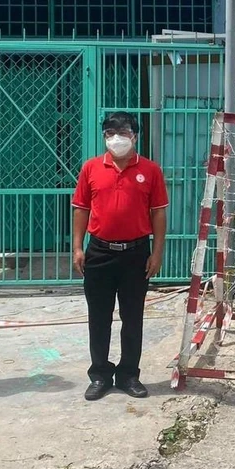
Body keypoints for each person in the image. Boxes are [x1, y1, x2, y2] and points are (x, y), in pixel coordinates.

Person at [72, 112, 169, 401]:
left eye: (123, 132)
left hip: (135, 254)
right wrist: (78, 246)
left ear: (134, 135)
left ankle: (128, 375)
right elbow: (81, 208)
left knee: (133, 317)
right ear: (104, 137)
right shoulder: (91, 168)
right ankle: (100, 374)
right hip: (99, 252)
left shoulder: (150, 170)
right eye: (110, 132)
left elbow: (159, 212)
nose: (116, 138)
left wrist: (157, 252)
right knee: (99, 317)